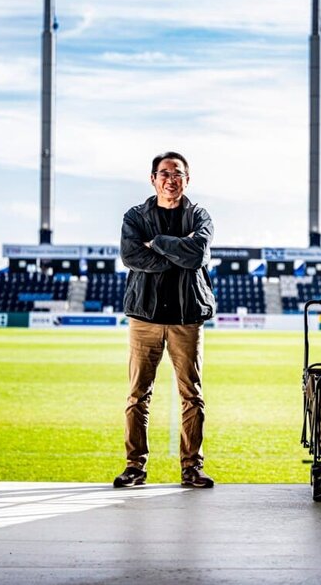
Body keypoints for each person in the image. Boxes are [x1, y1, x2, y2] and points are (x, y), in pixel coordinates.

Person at [113, 151, 217, 489]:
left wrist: (157, 243)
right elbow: (131, 256)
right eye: (164, 173)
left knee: (192, 395)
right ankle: (134, 468)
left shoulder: (199, 215)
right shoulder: (136, 216)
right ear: (153, 178)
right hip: (145, 317)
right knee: (137, 395)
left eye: (178, 173)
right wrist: (178, 254)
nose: (170, 179)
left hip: (187, 318)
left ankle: (192, 468)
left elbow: (198, 254)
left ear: (188, 179)